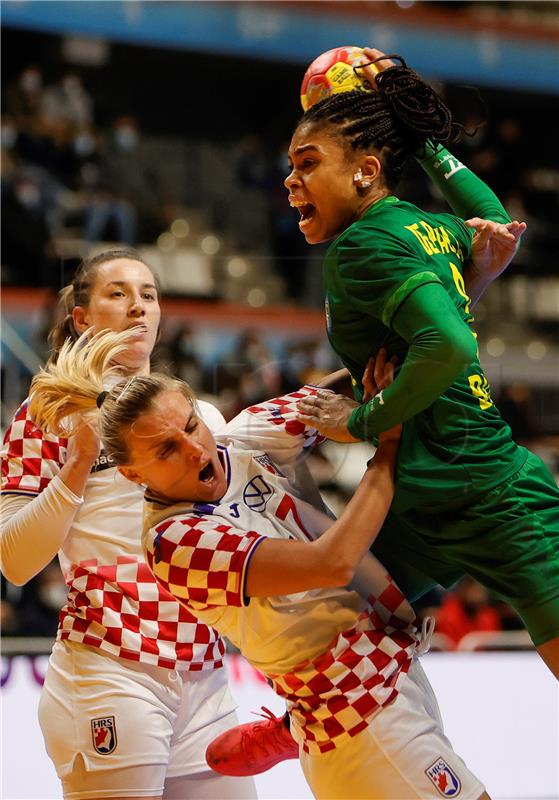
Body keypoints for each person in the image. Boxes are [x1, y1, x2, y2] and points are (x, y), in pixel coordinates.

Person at [27, 327, 490, 800]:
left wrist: (425, 337)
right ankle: (293, 727)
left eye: (190, 426)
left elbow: (334, 392)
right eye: (167, 450)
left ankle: (290, 730)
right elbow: (333, 563)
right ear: (131, 473)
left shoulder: (242, 437)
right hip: (355, 711)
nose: (194, 449)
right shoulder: (176, 541)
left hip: (392, 669)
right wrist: (387, 442)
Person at [285, 50, 559, 678]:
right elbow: (494, 221)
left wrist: (359, 422)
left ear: (365, 171)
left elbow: (452, 348)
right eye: (290, 166)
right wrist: (428, 144)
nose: (291, 181)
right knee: (331, 622)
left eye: (307, 164)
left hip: (489, 494)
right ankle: (293, 722)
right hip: (424, 486)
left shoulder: (363, 245)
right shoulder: (428, 228)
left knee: (326, 616)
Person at [0, 249, 257, 800]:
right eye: (118, 293)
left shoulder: (201, 417)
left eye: (149, 294)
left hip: (207, 674)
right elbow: (15, 563)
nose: (138, 307)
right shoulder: (43, 415)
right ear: (83, 318)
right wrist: (76, 462)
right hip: (110, 672)